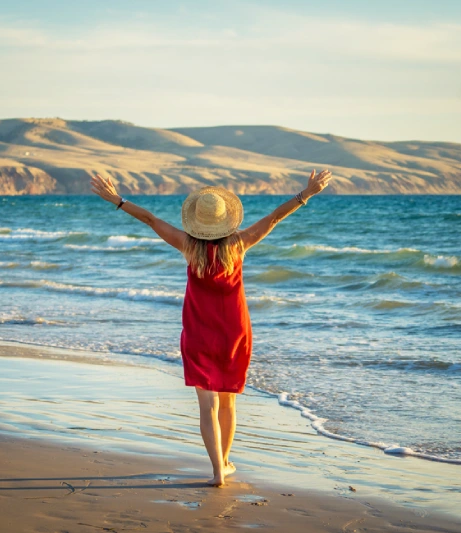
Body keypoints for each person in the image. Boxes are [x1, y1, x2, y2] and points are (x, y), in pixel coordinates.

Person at [90, 169, 334, 486]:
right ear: (224, 219)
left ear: (197, 221)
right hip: (234, 331)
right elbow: (274, 218)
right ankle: (225, 462)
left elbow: (150, 220)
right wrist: (306, 194)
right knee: (228, 400)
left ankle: (219, 469)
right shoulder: (239, 243)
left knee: (207, 406)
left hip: (197, 330)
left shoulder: (186, 245)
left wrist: (118, 200)